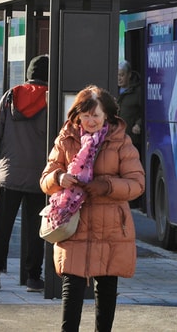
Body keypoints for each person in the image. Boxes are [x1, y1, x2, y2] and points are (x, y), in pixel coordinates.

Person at [40, 85, 145, 332]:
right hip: (73, 225)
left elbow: (137, 183)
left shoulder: (121, 141)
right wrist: (58, 178)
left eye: (96, 116)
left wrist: (107, 185)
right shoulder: (66, 139)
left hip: (109, 227)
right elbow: (45, 178)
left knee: (106, 291)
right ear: (77, 115)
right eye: (85, 116)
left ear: (107, 116)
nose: (90, 121)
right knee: (72, 288)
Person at [0, 55, 49, 292]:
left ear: (28, 73)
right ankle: (33, 278)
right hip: (40, 177)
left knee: (2, 227)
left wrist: (0, 160)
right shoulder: (51, 98)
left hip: (9, 175)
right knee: (35, 229)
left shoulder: (11, 96)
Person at [116, 61, 142, 150]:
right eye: (117, 75)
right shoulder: (112, 89)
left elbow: (146, 112)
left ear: (129, 75)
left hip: (131, 139)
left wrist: (139, 124)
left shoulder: (138, 92)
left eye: (121, 75)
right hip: (115, 138)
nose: (119, 78)